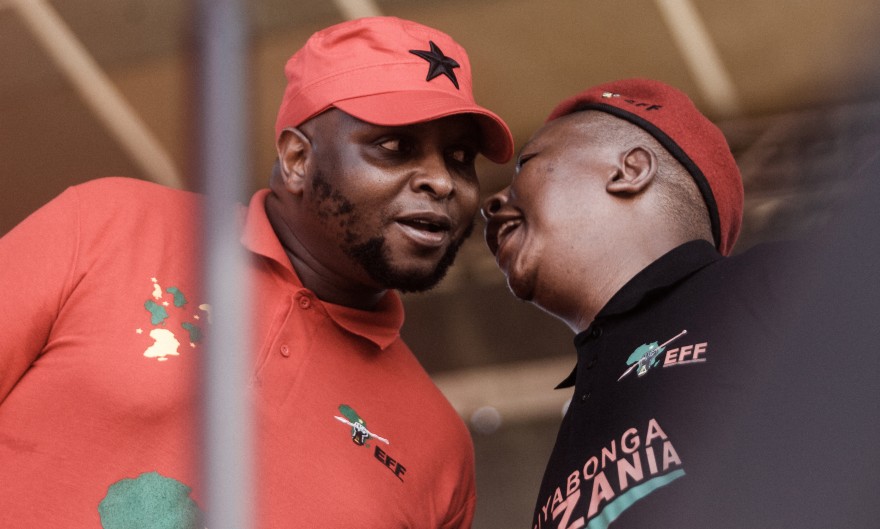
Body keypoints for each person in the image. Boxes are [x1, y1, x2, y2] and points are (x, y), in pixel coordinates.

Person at [0, 16, 512, 528]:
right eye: (395, 147)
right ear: (296, 159)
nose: (441, 182)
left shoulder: (439, 449)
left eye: (460, 158)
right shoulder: (107, 224)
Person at [481, 78, 799, 528]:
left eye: (527, 165)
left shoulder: (777, 283)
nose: (492, 201)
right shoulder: (581, 415)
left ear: (629, 170)